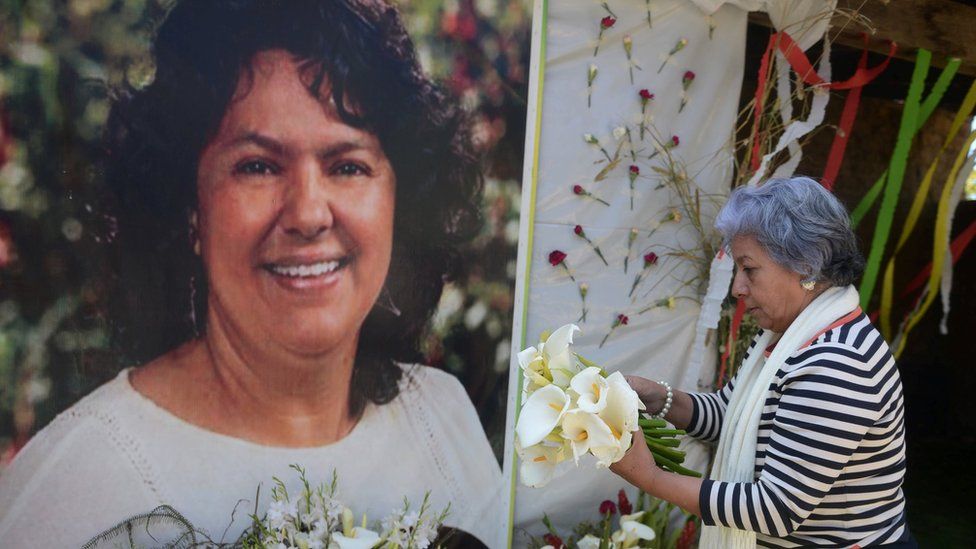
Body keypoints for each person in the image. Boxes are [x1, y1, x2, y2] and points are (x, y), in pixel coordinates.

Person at [0, 0, 500, 546]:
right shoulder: (83, 490)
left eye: (347, 166)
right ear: (189, 209)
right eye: (258, 166)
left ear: (399, 203)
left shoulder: (441, 419)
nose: (309, 214)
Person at [611, 177, 914, 548]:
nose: (737, 287)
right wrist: (658, 397)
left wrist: (649, 478)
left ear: (805, 265)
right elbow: (730, 416)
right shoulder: (786, 334)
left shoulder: (837, 361)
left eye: (749, 269)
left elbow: (777, 509)